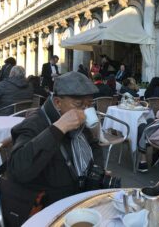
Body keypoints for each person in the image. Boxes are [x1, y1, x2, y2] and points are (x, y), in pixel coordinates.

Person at [8, 72, 105, 211]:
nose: (84, 110)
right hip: (49, 207)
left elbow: (94, 146)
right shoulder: (34, 124)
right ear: (58, 103)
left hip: (81, 201)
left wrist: (97, 171)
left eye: (89, 104)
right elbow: (18, 170)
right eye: (78, 104)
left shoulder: (81, 124)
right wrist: (59, 128)